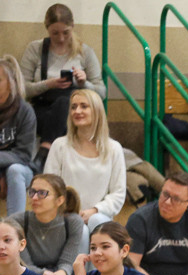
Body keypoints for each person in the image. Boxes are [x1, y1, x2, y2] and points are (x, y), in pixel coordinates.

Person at [20, 4, 105, 161]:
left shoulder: (85, 52)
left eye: (66, 32)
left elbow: (102, 93)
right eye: (55, 33)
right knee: (60, 105)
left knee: (65, 102)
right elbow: (21, 89)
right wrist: (48, 84)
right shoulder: (35, 49)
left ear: (72, 26)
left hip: (75, 113)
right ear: (47, 30)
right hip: (42, 110)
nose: (61, 38)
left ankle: (44, 151)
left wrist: (84, 83)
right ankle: (48, 152)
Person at [43, 88, 126, 248]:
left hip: (99, 215)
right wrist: (70, 213)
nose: (77, 111)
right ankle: (77, 274)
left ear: (96, 111)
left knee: (98, 222)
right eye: (73, 107)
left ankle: (97, 273)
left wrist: (95, 210)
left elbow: (118, 193)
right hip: (65, 215)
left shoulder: (114, 148)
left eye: (83, 106)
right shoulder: (60, 145)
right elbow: (49, 188)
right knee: (78, 229)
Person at [0, 55, 37, 216]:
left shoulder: (25, 111)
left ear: (11, 82)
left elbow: (24, 155)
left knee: (14, 171)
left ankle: (15, 228)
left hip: (22, 170)